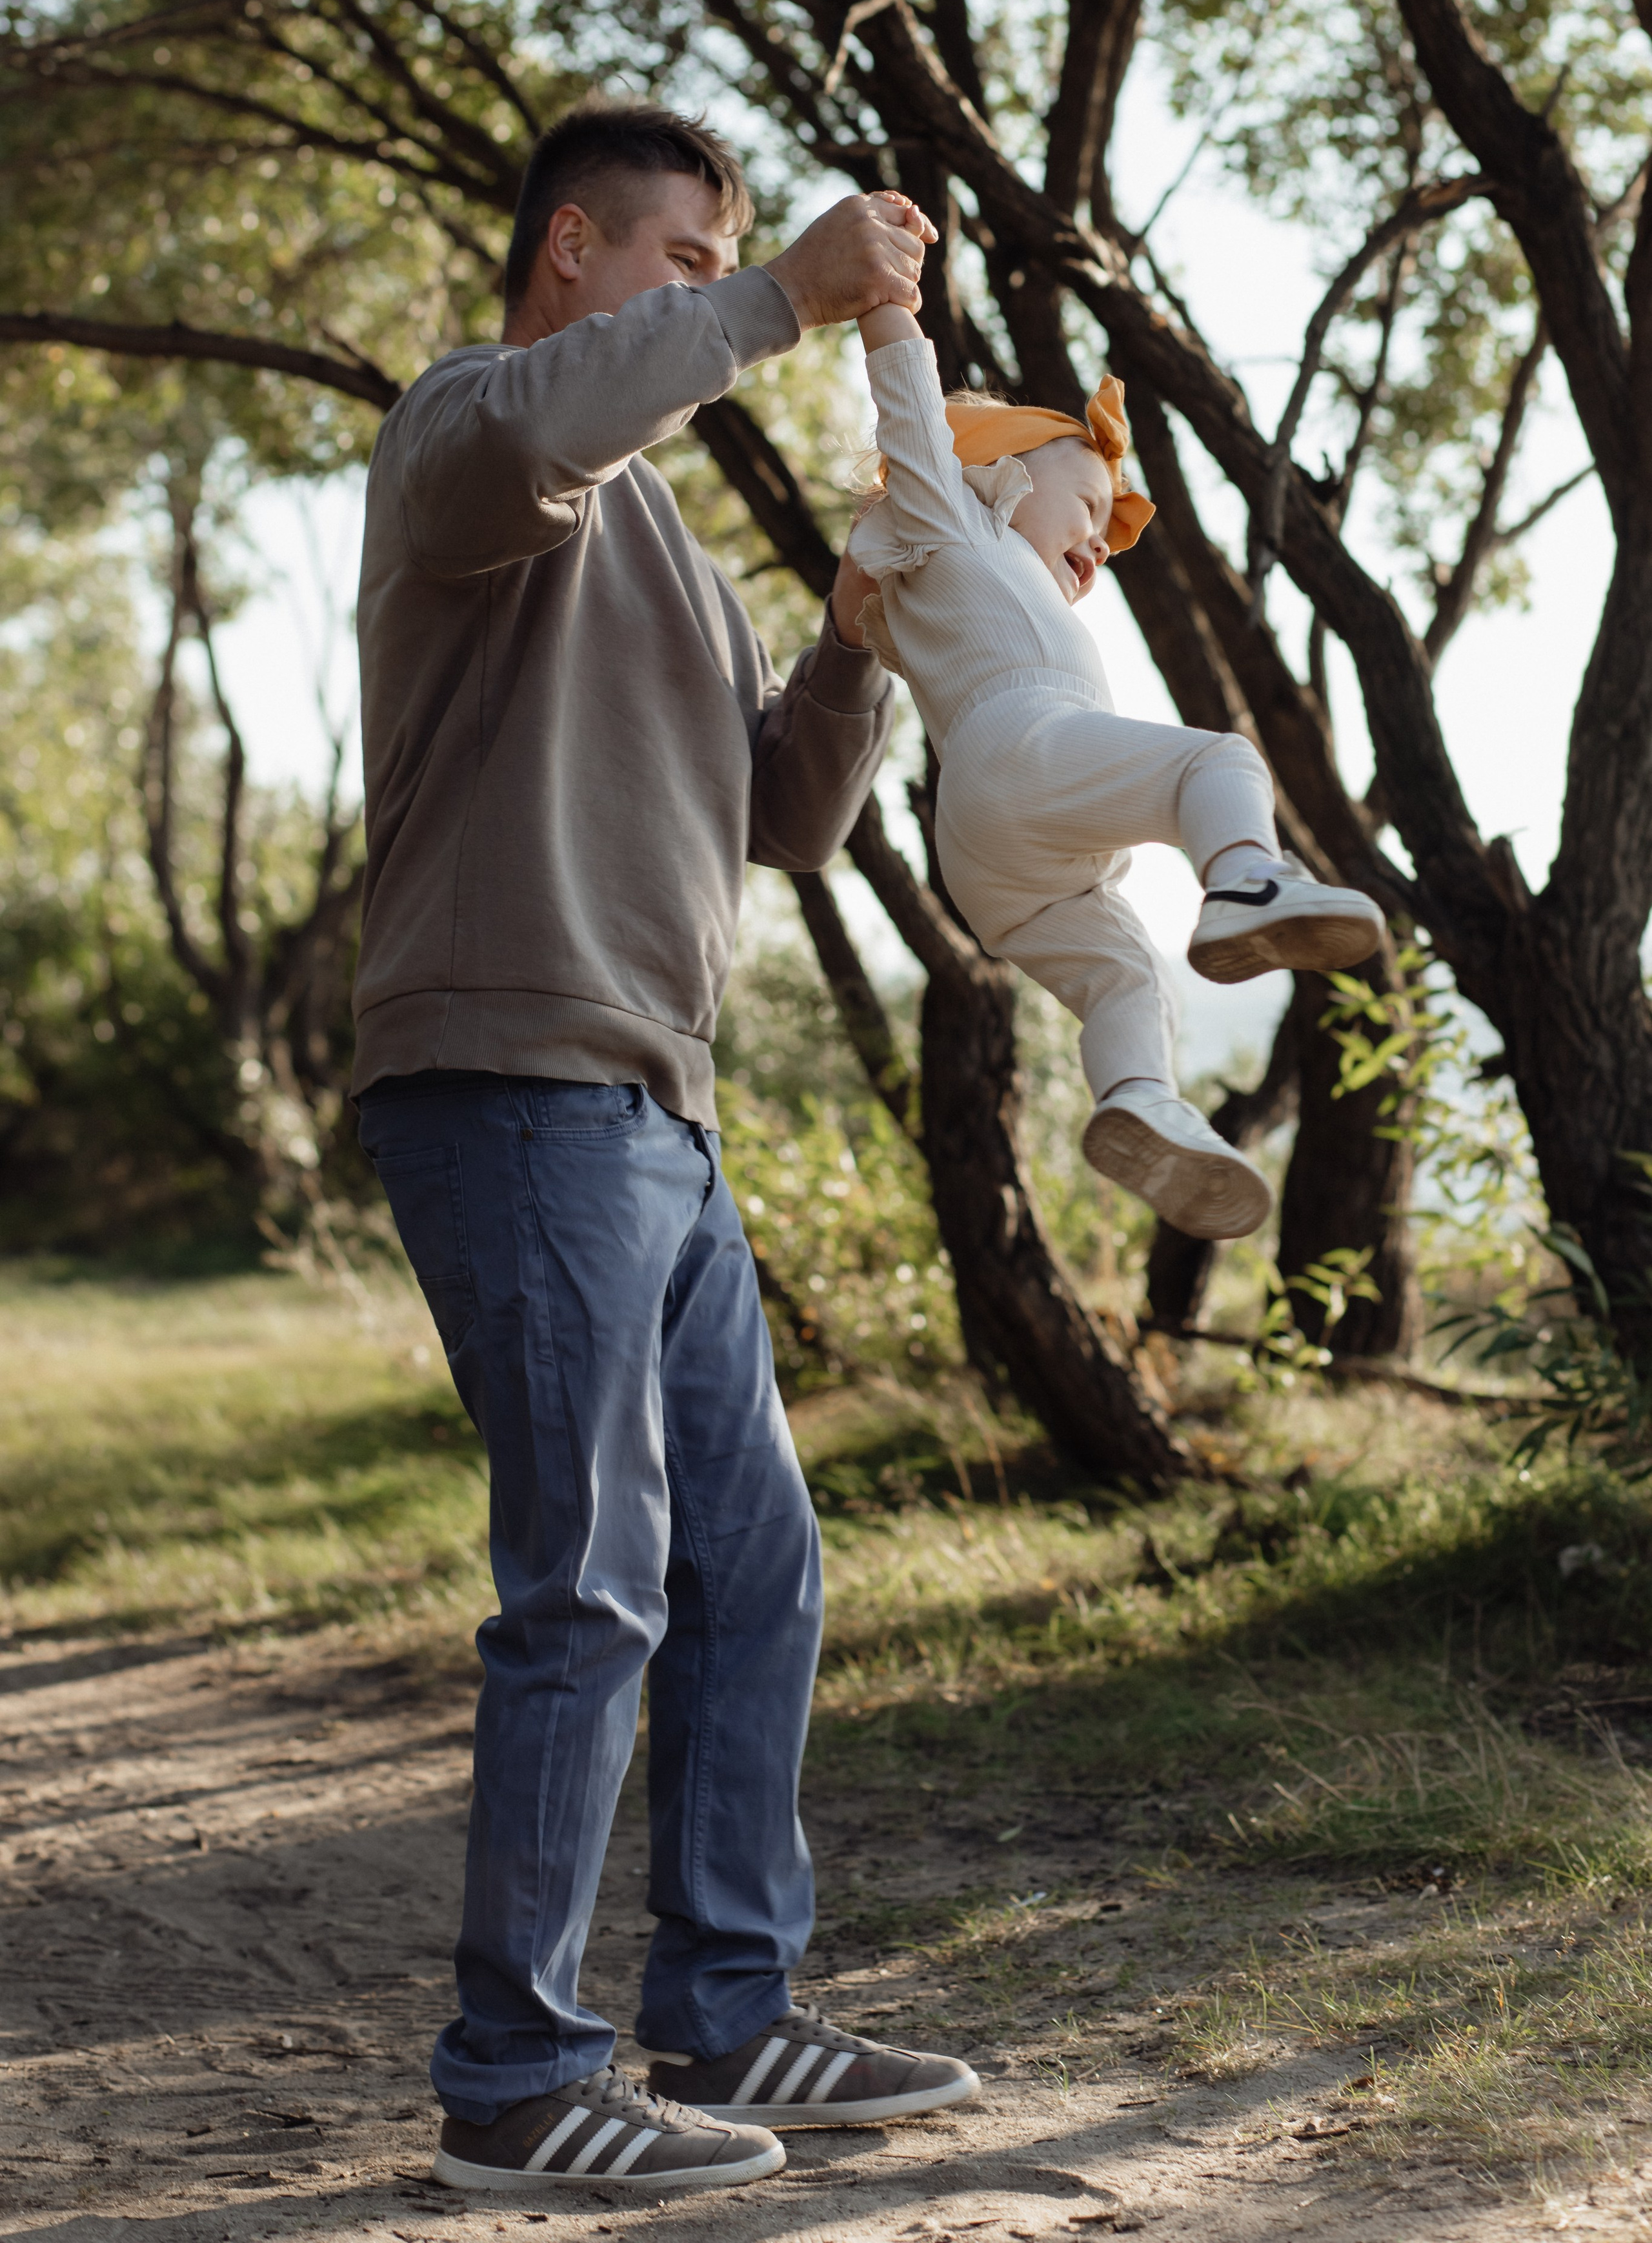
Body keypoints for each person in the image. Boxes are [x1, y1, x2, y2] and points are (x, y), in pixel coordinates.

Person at [351, 106, 978, 2197]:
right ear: (568, 255)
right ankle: (517, 2083)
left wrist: (863, 624)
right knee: (593, 1580)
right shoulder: (468, 441)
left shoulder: (677, 565)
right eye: (685, 253)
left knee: (756, 1569)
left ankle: (735, 2016)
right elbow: (560, 427)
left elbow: (785, 821)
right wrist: (794, 290)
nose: (715, 287)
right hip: (515, 1088)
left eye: (728, 255)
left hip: (664, 1116)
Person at [847, 218, 1384, 1241]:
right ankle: (1246, 882)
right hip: (1020, 751)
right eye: (1088, 503)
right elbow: (912, 415)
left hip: (996, 853)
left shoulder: (959, 578)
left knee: (1127, 973)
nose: (1099, 540)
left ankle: (1140, 1098)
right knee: (1217, 760)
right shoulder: (953, 516)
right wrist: (885, 297)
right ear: (992, 473)